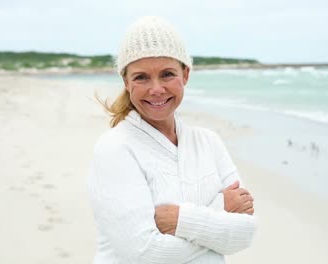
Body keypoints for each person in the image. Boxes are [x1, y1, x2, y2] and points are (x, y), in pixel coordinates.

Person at [87, 16, 256, 264]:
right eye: (141, 77)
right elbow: (144, 253)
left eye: (167, 74)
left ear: (185, 74)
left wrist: (178, 220)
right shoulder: (115, 149)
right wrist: (221, 211)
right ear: (126, 82)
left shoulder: (209, 142)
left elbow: (244, 234)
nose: (156, 89)